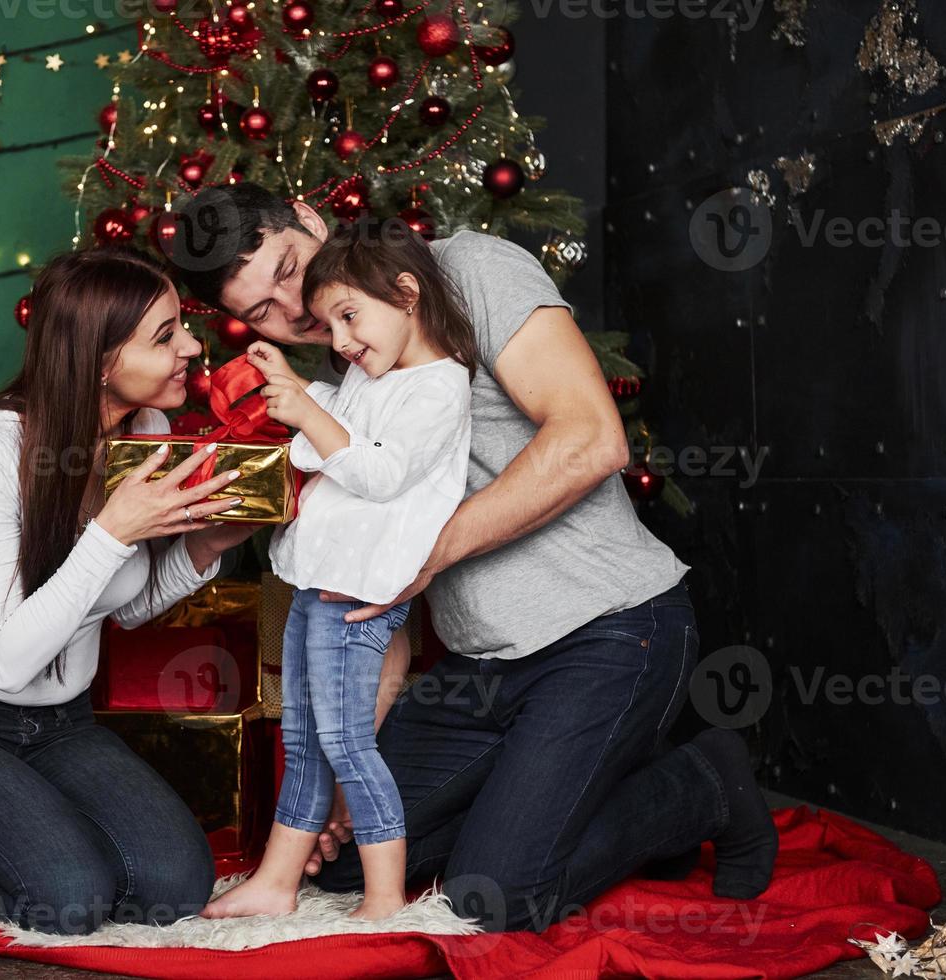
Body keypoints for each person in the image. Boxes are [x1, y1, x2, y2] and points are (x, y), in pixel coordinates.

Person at [168, 184, 778, 931]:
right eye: (261, 311)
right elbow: (369, 599)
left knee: (495, 896)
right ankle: (574, 798)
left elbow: (591, 437)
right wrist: (340, 767)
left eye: (289, 266)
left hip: (608, 628)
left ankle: (701, 783)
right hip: (482, 667)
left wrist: (419, 554)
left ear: (307, 217)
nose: (295, 309)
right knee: (358, 856)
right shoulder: (335, 380)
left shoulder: (469, 270)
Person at [0, 247, 259, 935]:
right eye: (164, 335)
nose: (191, 344)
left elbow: (119, 604)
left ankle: (36, 837)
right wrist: (113, 532)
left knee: (174, 887)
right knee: (68, 901)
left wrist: (201, 547)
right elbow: (8, 659)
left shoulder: (143, 434)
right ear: (100, 362)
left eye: (181, 324)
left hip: (58, 727)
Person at [203, 221, 474, 921]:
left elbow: (378, 472)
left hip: (358, 594)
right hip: (313, 584)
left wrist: (310, 417)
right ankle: (275, 880)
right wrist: (292, 391)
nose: (342, 339)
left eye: (349, 316)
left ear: (406, 292)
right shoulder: (364, 374)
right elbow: (316, 448)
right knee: (303, 738)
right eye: (329, 323)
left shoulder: (438, 387)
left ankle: (383, 897)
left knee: (347, 742)